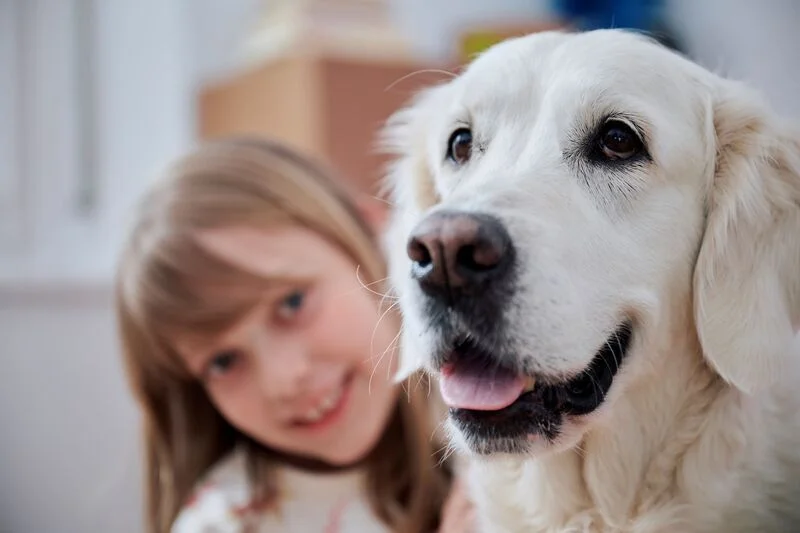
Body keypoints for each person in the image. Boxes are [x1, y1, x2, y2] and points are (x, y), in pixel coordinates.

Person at [115, 137, 473, 533]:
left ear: (373, 234)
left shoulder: (497, 406)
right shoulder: (222, 524)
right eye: (223, 361)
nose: (283, 379)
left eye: (291, 304)